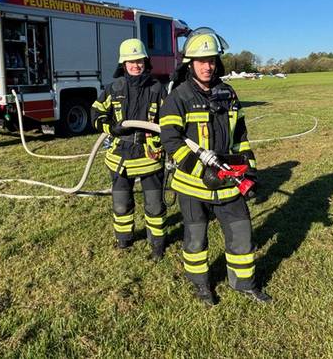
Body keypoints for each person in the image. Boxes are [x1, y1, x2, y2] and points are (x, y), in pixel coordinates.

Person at [159, 28, 272, 305]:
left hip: (228, 181)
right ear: (190, 64)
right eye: (201, 61)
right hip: (193, 185)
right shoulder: (179, 97)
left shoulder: (228, 93)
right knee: (196, 239)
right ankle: (201, 285)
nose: (207, 66)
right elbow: (171, 141)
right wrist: (202, 172)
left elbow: (240, 137)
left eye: (211, 60)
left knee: (241, 232)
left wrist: (250, 169)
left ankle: (244, 283)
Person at [91, 39, 167, 260]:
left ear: (145, 62)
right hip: (119, 157)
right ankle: (124, 239)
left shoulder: (157, 88)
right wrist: (110, 127)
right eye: (130, 61)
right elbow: (96, 114)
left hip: (149, 156)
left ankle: (157, 244)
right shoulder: (114, 88)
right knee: (121, 204)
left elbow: (169, 120)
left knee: (154, 205)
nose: (135, 65)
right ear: (123, 64)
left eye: (139, 61)